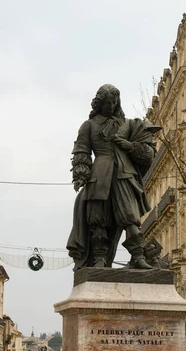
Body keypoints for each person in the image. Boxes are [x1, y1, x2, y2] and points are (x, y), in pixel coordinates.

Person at [67, 84, 160, 270]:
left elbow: (148, 153)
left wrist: (129, 146)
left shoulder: (129, 125)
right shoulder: (89, 126)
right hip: (99, 175)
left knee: (130, 217)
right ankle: (99, 259)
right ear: (99, 103)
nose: (111, 106)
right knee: (98, 219)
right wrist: (80, 174)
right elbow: (82, 151)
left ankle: (138, 255)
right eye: (108, 103)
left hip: (125, 175)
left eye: (114, 103)